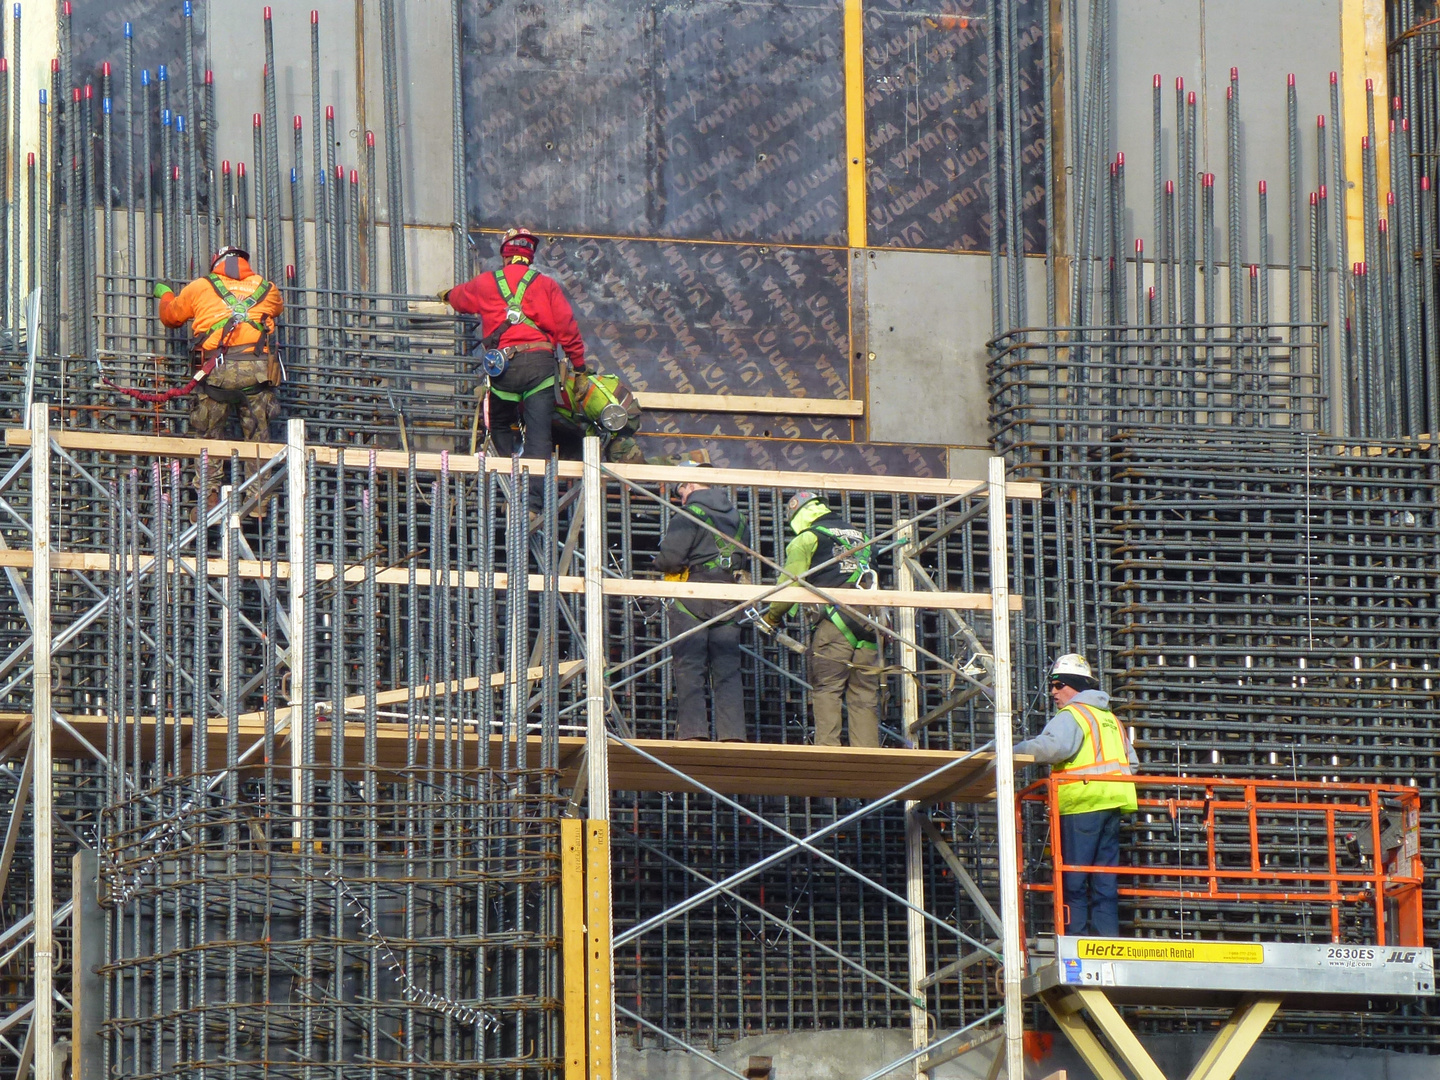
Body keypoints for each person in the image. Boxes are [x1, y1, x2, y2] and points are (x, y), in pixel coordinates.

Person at [1014, 653, 1138, 937]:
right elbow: (1132, 764)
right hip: (1113, 805)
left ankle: (1076, 941)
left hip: (1082, 804)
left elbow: (1053, 747)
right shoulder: (1110, 719)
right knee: (1104, 881)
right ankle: (1108, 944)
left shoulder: (1073, 714)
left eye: (1059, 685)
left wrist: (1012, 751)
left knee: (1073, 879)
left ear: (1075, 685)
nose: (1053, 692)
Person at [441, 226, 587, 467]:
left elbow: (460, 298)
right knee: (539, 438)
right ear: (529, 257)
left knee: (498, 423)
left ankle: (511, 477)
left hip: (504, 369)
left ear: (505, 255)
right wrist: (579, 367)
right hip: (540, 368)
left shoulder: (486, 283)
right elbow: (567, 327)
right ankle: (533, 503)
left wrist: (447, 295)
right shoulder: (546, 285)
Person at [156, 245, 284, 515]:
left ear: (217, 263)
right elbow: (276, 310)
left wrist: (165, 295)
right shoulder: (268, 288)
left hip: (216, 371)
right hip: (257, 373)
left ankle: (208, 498)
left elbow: (171, 318)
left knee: (209, 434)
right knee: (257, 435)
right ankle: (258, 501)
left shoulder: (200, 286)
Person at [757, 492, 880, 748]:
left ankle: (829, 759)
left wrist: (771, 616)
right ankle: (868, 762)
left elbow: (789, 585)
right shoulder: (863, 537)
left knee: (828, 690)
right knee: (864, 695)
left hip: (834, 626)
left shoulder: (808, 538)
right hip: (872, 624)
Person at [652, 467, 748, 742]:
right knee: (728, 668)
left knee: (690, 665)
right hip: (728, 595)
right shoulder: (740, 518)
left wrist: (657, 563)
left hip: (693, 593)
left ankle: (694, 734)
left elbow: (671, 558)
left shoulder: (689, 514)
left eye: (681, 491)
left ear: (691, 486)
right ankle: (733, 736)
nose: (681, 498)